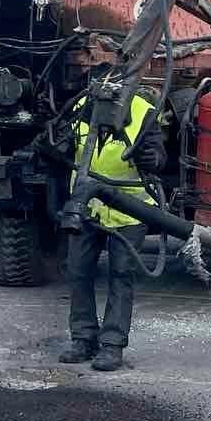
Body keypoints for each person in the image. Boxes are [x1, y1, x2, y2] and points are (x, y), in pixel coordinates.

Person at [59, 89, 164, 372]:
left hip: (129, 211)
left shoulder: (143, 111)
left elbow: (159, 159)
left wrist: (151, 157)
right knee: (78, 271)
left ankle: (112, 345)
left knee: (120, 276)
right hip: (88, 207)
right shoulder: (81, 105)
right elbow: (66, 148)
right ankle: (83, 339)